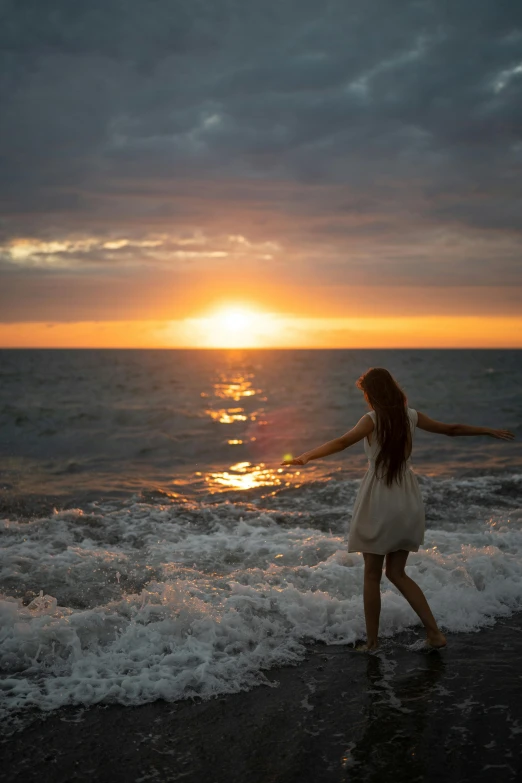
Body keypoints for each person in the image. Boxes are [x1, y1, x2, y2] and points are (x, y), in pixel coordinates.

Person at [282, 367, 514, 651]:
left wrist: (305, 456)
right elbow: (451, 430)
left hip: (379, 497)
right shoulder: (411, 416)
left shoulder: (371, 420)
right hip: (407, 499)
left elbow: (342, 442)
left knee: (371, 574)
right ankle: (434, 634)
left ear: (372, 394)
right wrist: (486, 430)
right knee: (397, 573)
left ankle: (372, 643)